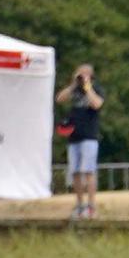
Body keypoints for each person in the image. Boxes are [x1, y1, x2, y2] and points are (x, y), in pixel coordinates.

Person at [56, 63, 104, 219]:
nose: (81, 77)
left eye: (84, 74)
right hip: (74, 137)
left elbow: (97, 104)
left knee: (89, 172)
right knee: (75, 172)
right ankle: (79, 205)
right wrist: (73, 85)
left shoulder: (96, 88)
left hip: (89, 137)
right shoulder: (74, 90)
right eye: (79, 74)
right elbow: (59, 99)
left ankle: (91, 206)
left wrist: (88, 87)